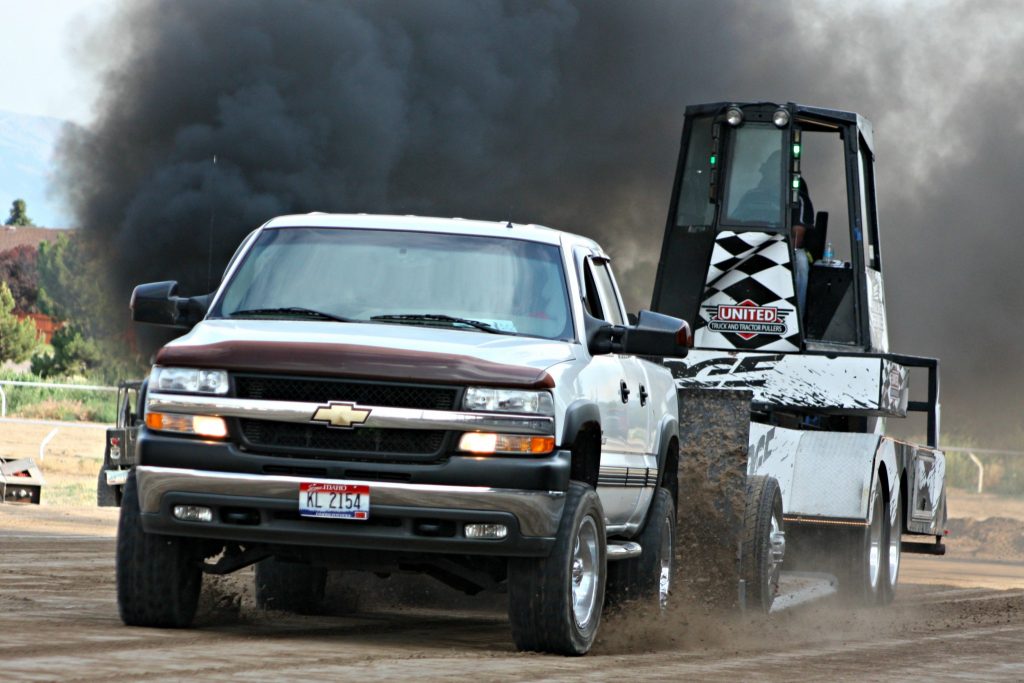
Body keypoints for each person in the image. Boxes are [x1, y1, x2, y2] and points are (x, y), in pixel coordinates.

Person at [791, 177, 814, 313]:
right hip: (750, 245)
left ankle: (797, 315)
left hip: (784, 248)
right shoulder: (753, 195)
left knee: (800, 259)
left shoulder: (799, 199)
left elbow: (797, 240)